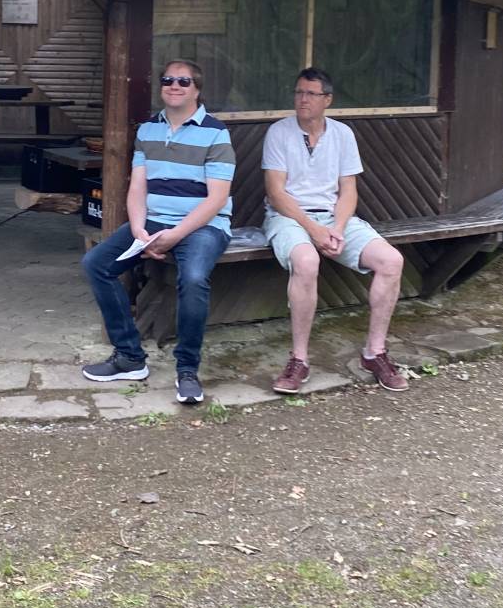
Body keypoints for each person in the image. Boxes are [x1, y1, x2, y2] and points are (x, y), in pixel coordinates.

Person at [80, 59, 233, 404]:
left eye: (183, 81)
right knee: (96, 263)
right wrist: (138, 228)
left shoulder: (215, 132)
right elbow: (137, 187)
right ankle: (130, 357)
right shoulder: (148, 130)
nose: (174, 86)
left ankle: (188, 370)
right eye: (168, 80)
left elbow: (217, 198)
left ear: (197, 89)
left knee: (193, 278)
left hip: (203, 226)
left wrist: (176, 234)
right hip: (152, 224)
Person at [263, 67, 408, 394]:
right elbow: (276, 192)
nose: (302, 100)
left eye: (311, 94)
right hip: (289, 217)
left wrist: (338, 228)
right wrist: (314, 230)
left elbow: (348, 191)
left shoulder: (342, 134)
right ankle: (299, 360)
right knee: (306, 262)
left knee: (391, 261)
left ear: (327, 99)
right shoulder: (279, 132)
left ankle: (375, 353)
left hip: (332, 217)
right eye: (299, 92)